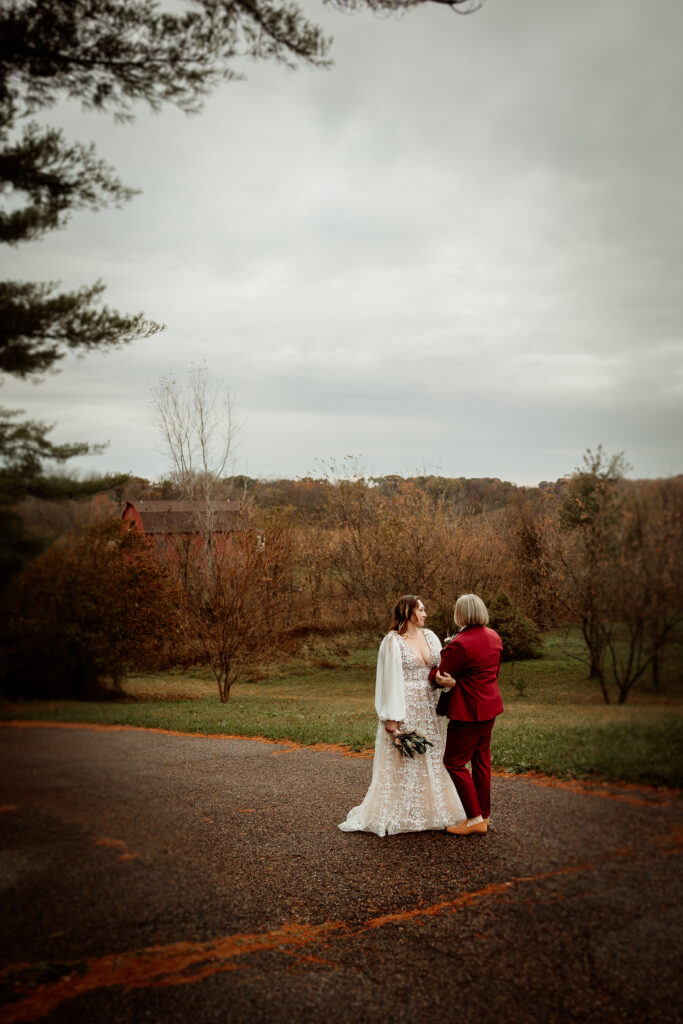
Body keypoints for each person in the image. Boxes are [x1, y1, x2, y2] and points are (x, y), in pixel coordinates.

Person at [339, 595, 465, 836]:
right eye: (421, 609)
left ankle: (431, 810)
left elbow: (442, 668)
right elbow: (387, 681)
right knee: (406, 756)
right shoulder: (392, 641)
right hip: (404, 705)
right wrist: (390, 717)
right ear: (408, 612)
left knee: (433, 753)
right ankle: (401, 812)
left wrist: (448, 683)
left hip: (430, 705)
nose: (426, 614)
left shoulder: (431, 636)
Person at [429, 593, 503, 836]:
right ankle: (484, 814)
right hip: (489, 706)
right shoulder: (493, 637)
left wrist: (430, 670)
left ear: (460, 614)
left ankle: (473, 819)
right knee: (481, 761)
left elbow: (440, 675)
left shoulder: (461, 643)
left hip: (468, 711)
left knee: (454, 761)